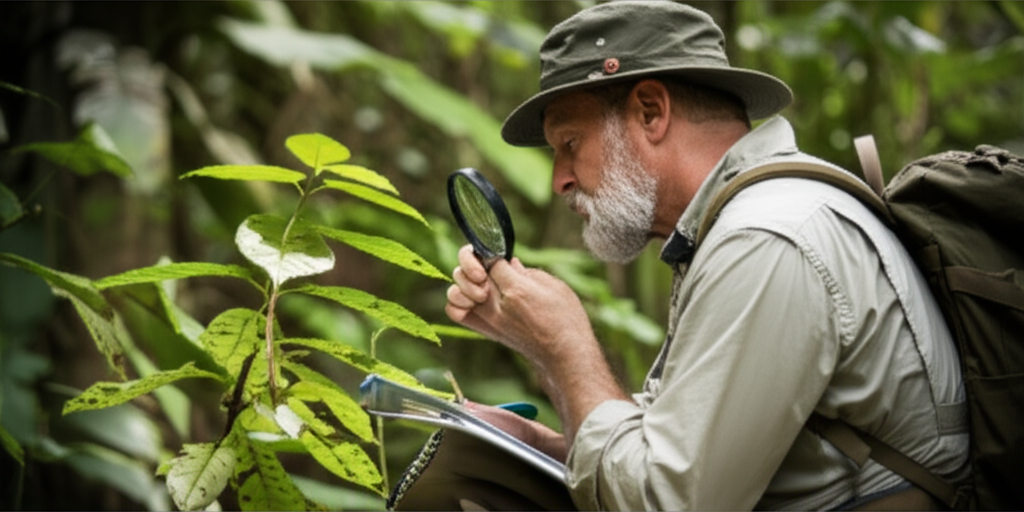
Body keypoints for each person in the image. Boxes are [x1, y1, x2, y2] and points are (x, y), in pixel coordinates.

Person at [445, 2, 969, 510]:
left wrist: (566, 348)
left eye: (570, 142)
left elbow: (667, 502)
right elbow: (669, 446)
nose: (559, 178)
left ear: (651, 112)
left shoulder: (765, 239)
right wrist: (532, 438)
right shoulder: (733, 228)